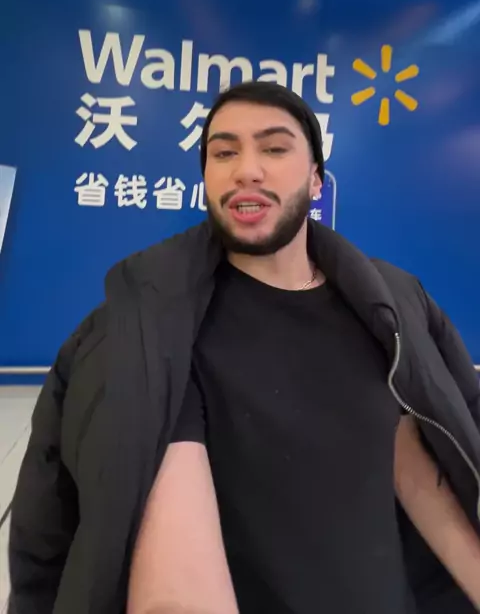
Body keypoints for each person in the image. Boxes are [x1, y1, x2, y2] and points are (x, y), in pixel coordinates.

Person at [8, 81, 480, 614]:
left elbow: (423, 475)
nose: (246, 170)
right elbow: (170, 588)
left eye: (274, 148)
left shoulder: (390, 304)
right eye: (224, 153)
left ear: (316, 179)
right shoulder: (150, 331)